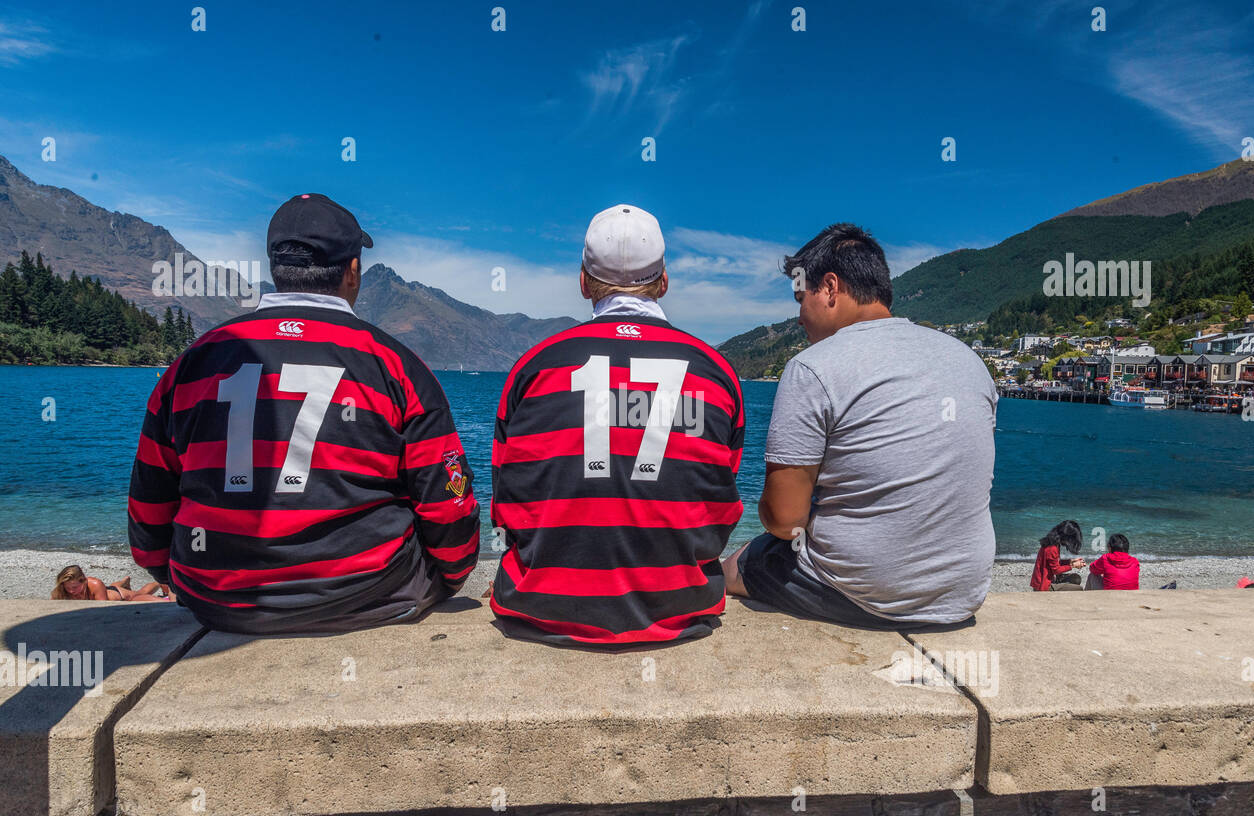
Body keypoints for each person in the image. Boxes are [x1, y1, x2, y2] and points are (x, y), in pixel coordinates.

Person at [127, 194, 479, 635]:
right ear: (353, 271)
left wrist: (177, 577)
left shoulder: (194, 361)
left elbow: (148, 505)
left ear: (277, 270)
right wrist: (449, 574)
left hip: (216, 598)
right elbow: (448, 507)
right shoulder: (394, 363)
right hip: (367, 595)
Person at [489, 204, 745, 645]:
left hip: (542, 610)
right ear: (664, 282)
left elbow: (506, 502)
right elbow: (715, 502)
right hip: (680, 610)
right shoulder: (716, 374)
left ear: (583, 282)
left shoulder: (534, 368)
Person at [722, 223, 996, 627]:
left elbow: (784, 520)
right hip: (963, 593)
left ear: (830, 288)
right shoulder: (969, 360)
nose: (799, 317)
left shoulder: (813, 367)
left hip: (863, 593)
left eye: (801, 298)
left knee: (736, 565)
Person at [51, 565, 172, 602]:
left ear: (84, 581)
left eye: (74, 587)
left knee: (139, 594)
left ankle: (158, 582)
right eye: (68, 588)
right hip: (108, 589)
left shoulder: (95, 584)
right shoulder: (61, 590)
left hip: (117, 596)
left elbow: (103, 612)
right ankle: (123, 581)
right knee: (112, 587)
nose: (71, 591)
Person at [1031, 520, 1086, 591]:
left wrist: (1071, 561)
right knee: (1079, 589)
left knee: (1076, 578)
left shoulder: (1053, 542)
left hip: (1049, 579)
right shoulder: (1052, 548)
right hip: (1044, 586)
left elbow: (1054, 563)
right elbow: (1056, 570)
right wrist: (1073, 566)